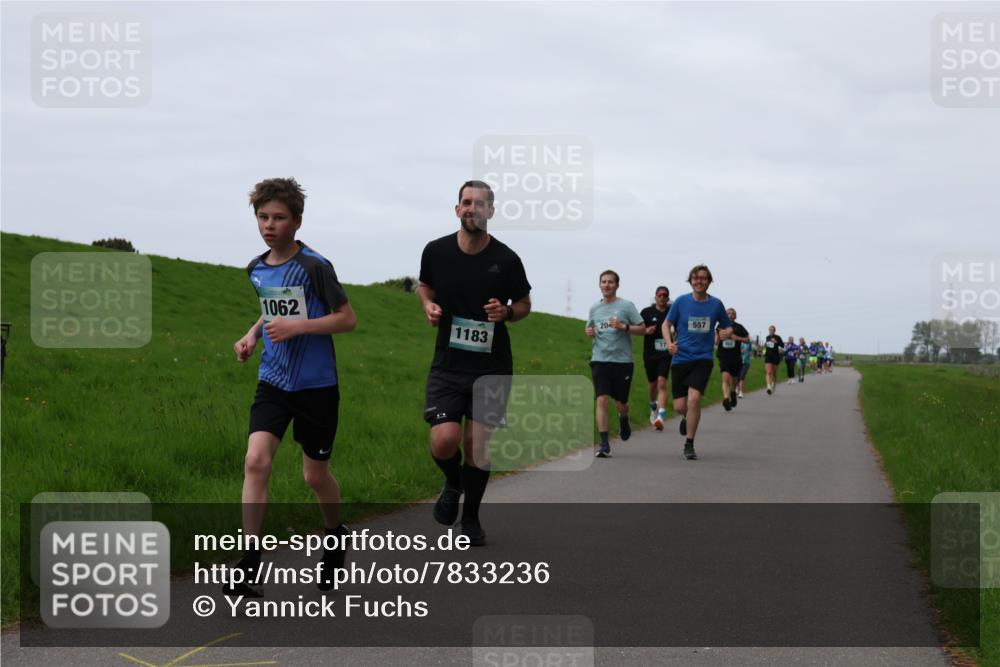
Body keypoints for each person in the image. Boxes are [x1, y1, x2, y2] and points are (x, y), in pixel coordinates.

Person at [229, 177, 358, 596]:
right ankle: (249, 564)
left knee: (314, 476)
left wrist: (298, 326)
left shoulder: (315, 267)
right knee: (256, 461)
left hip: (316, 387)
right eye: (263, 217)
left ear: (297, 221)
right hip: (274, 380)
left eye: (279, 217)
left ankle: (335, 537)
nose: (270, 224)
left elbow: (347, 318)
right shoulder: (256, 268)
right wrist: (253, 335)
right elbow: (271, 313)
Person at [418, 180, 531, 547]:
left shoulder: (507, 259)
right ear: (457, 209)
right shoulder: (435, 251)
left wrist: (508, 311)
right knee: (444, 440)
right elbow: (425, 286)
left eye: (480, 203)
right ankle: (453, 482)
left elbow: (525, 304)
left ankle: (471, 518)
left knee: (478, 444)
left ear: (491, 212)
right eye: (466, 202)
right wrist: (429, 306)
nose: (472, 208)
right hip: (448, 364)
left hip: (491, 366)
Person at [662, 265, 733, 460]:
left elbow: (727, 328)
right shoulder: (680, 302)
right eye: (695, 278)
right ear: (690, 281)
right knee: (679, 406)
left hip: (703, 358)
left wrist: (724, 332)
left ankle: (689, 443)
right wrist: (669, 343)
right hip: (680, 358)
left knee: (694, 399)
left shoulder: (716, 304)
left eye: (703, 278)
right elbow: (666, 324)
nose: (699, 281)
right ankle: (686, 416)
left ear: (709, 281)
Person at [586, 270, 645, 457]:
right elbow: (590, 327)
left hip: (622, 361)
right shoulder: (595, 308)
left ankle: (624, 417)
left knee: (621, 403)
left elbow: (642, 329)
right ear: (599, 285)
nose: (606, 285)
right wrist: (589, 332)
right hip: (600, 359)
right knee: (601, 399)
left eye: (610, 282)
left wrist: (624, 327)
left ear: (617, 285)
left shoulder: (626, 306)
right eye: (603, 282)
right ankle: (604, 444)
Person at [640, 286, 672, 430]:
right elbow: (638, 328)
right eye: (660, 295)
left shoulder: (672, 312)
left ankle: (661, 416)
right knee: (653, 385)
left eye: (665, 295)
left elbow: (680, 328)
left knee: (662, 383)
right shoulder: (646, 312)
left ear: (668, 297)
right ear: (655, 296)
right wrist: (646, 331)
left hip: (665, 354)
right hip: (650, 353)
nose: (662, 297)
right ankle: (653, 406)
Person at [716, 308, 751, 411]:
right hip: (723, 356)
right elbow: (716, 342)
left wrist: (737, 338)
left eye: (732, 313)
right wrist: (718, 337)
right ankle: (726, 399)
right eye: (728, 313)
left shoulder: (739, 327)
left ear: (735, 316)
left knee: (734, 379)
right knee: (725, 378)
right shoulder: (720, 326)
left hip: (735, 357)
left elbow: (748, 340)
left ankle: (732, 392)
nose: (730, 315)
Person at [763, 325, 784, 395]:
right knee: (769, 372)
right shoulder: (767, 337)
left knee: (774, 373)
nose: (770, 331)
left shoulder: (778, 337)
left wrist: (776, 342)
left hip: (775, 356)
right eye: (769, 330)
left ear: (774, 331)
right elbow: (767, 345)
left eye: (772, 330)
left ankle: (773, 384)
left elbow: (782, 345)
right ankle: (768, 387)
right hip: (768, 356)